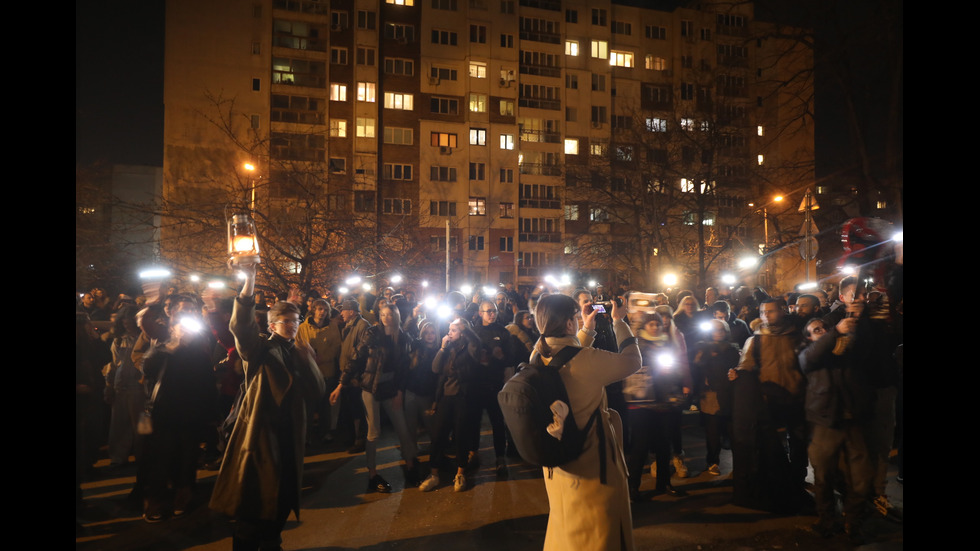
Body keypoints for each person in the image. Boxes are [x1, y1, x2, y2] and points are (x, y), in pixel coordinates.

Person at [210, 263, 325, 551]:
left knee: (283, 499)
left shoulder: (299, 350)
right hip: (261, 437)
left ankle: (272, 542)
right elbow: (240, 326)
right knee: (254, 505)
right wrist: (248, 280)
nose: (293, 326)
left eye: (296, 321)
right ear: (271, 325)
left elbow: (317, 391)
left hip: (290, 437)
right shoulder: (259, 348)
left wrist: (308, 358)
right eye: (286, 322)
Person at [534, 294, 641, 551]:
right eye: (574, 319)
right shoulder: (587, 360)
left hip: (558, 463)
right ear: (569, 323)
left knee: (565, 530)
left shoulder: (537, 356)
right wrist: (619, 321)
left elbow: (568, 355)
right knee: (598, 536)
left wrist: (586, 330)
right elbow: (633, 361)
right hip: (594, 468)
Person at [728, 298, 807, 512]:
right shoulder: (756, 340)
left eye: (770, 311)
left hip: (795, 397)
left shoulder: (797, 337)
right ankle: (777, 484)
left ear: (782, 311)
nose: (766, 316)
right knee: (772, 445)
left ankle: (797, 481)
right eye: (763, 312)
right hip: (768, 401)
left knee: (799, 442)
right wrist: (738, 373)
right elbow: (746, 367)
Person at [799, 317, 873, 540]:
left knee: (859, 478)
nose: (822, 332)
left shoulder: (846, 352)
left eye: (824, 327)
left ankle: (854, 523)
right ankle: (827, 521)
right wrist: (834, 333)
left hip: (853, 423)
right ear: (809, 338)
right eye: (816, 330)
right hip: (825, 423)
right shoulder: (809, 355)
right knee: (823, 477)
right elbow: (811, 356)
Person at [333, 303, 420, 492]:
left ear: (396, 316)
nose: (386, 317)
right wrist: (341, 384)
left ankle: (411, 466)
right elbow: (356, 357)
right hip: (371, 387)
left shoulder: (402, 337)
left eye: (389, 314)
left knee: (402, 429)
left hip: (391, 388)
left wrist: (399, 392)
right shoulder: (373, 333)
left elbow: (404, 369)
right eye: (383, 314)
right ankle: (373, 474)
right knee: (374, 432)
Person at [624, 311, 691, 499]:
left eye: (658, 324)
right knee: (640, 446)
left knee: (663, 445)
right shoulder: (637, 345)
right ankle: (633, 487)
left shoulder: (668, 344)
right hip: (641, 404)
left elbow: (678, 369)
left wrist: (672, 371)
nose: (654, 327)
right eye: (651, 324)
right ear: (644, 326)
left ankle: (664, 483)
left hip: (664, 402)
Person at [692, 319, 739, 477]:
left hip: (728, 394)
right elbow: (696, 369)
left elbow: (736, 367)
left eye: (721, 330)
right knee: (713, 432)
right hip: (710, 395)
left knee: (732, 432)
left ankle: (739, 465)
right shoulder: (702, 348)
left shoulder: (732, 349)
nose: (718, 332)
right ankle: (712, 462)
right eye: (715, 329)